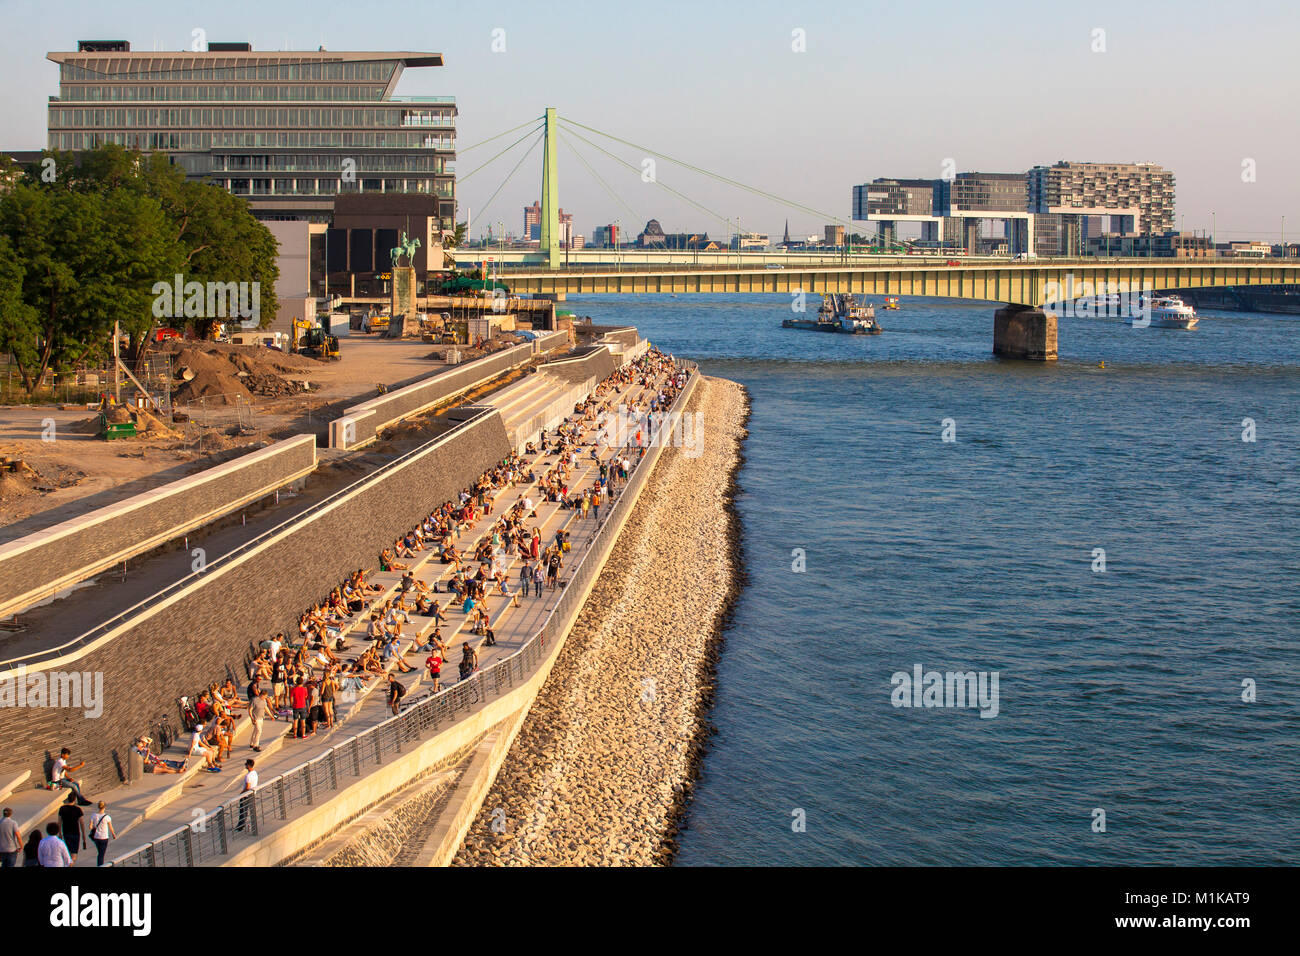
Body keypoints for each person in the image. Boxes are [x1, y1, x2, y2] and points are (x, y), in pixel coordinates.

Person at [57, 793, 85, 864]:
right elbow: (81, 823)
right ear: (75, 800)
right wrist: (83, 834)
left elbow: (59, 822)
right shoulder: (78, 809)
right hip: (76, 833)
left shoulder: (62, 809)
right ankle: (71, 864)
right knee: (74, 854)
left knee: (67, 852)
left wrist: (59, 833)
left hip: (66, 833)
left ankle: (68, 864)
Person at [88, 802, 116, 867]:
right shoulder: (107, 817)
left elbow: (90, 826)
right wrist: (113, 834)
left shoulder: (94, 815)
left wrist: (93, 826)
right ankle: (100, 865)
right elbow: (111, 827)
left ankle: (100, 864)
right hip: (104, 837)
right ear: (104, 807)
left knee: (100, 852)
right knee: (101, 854)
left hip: (96, 837)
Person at [235, 760, 257, 833]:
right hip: (252, 794)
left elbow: (247, 787)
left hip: (246, 795)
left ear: (248, 765)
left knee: (243, 811)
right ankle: (244, 825)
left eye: (246, 764)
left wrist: (241, 793)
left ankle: (240, 827)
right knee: (247, 810)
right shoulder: (255, 773)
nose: (245, 766)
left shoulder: (248, 776)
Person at [248, 687, 272, 752]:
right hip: (256, 718)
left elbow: (265, 708)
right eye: (265, 696)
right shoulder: (254, 700)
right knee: (259, 731)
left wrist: (270, 715)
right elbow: (250, 710)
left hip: (261, 718)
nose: (266, 697)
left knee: (255, 730)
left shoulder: (264, 701)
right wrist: (252, 718)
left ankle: (251, 743)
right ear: (262, 695)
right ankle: (256, 745)